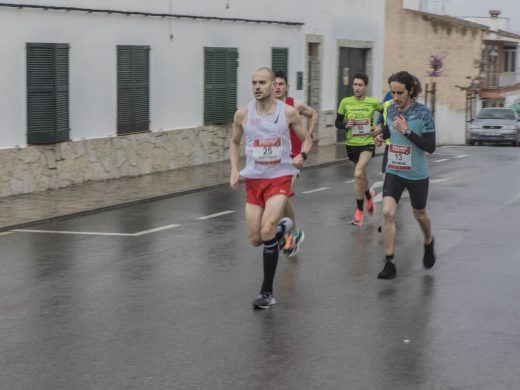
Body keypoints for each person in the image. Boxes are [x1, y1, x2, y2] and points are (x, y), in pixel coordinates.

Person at [229, 67, 312, 309]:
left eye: (262, 82)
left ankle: (267, 292)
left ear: (272, 85)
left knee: (266, 229)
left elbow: (307, 138)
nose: (257, 86)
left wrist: (303, 154)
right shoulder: (243, 114)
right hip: (254, 181)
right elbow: (234, 142)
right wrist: (234, 169)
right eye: (254, 82)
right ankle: (283, 228)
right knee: (255, 239)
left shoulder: (288, 112)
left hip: (279, 178)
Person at [375, 71, 436, 280]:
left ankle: (428, 241)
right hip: (394, 170)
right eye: (392, 92)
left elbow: (431, 147)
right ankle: (390, 262)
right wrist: (380, 136)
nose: (395, 97)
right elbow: (390, 131)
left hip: (417, 174)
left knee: (419, 214)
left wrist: (408, 131)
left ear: (410, 91)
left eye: (399, 92)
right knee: (387, 214)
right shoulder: (391, 110)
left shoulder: (424, 113)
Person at [273, 70, 318, 257]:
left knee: (281, 198)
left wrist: (309, 135)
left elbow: (313, 114)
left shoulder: (294, 105)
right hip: (274, 160)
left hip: (293, 160)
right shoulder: (268, 107)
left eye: (280, 84)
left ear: (287, 87)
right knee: (281, 201)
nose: (277, 87)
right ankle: (295, 232)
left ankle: (290, 235)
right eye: (274, 84)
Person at [335, 73, 383, 226]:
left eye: (360, 85)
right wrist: (345, 125)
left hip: (367, 143)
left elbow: (387, 112)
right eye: (355, 84)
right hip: (351, 145)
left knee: (357, 173)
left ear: (365, 87)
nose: (356, 87)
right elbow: (337, 122)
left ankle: (359, 211)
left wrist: (380, 127)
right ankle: (369, 195)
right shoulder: (345, 102)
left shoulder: (373, 103)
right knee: (361, 175)